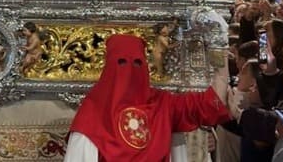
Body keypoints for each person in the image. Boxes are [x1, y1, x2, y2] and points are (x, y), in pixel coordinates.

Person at [64, 33, 231, 162]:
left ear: (145, 65)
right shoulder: (92, 111)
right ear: (108, 67)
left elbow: (210, 103)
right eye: (121, 62)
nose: (129, 71)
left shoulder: (163, 104)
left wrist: (220, 50)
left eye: (137, 63)